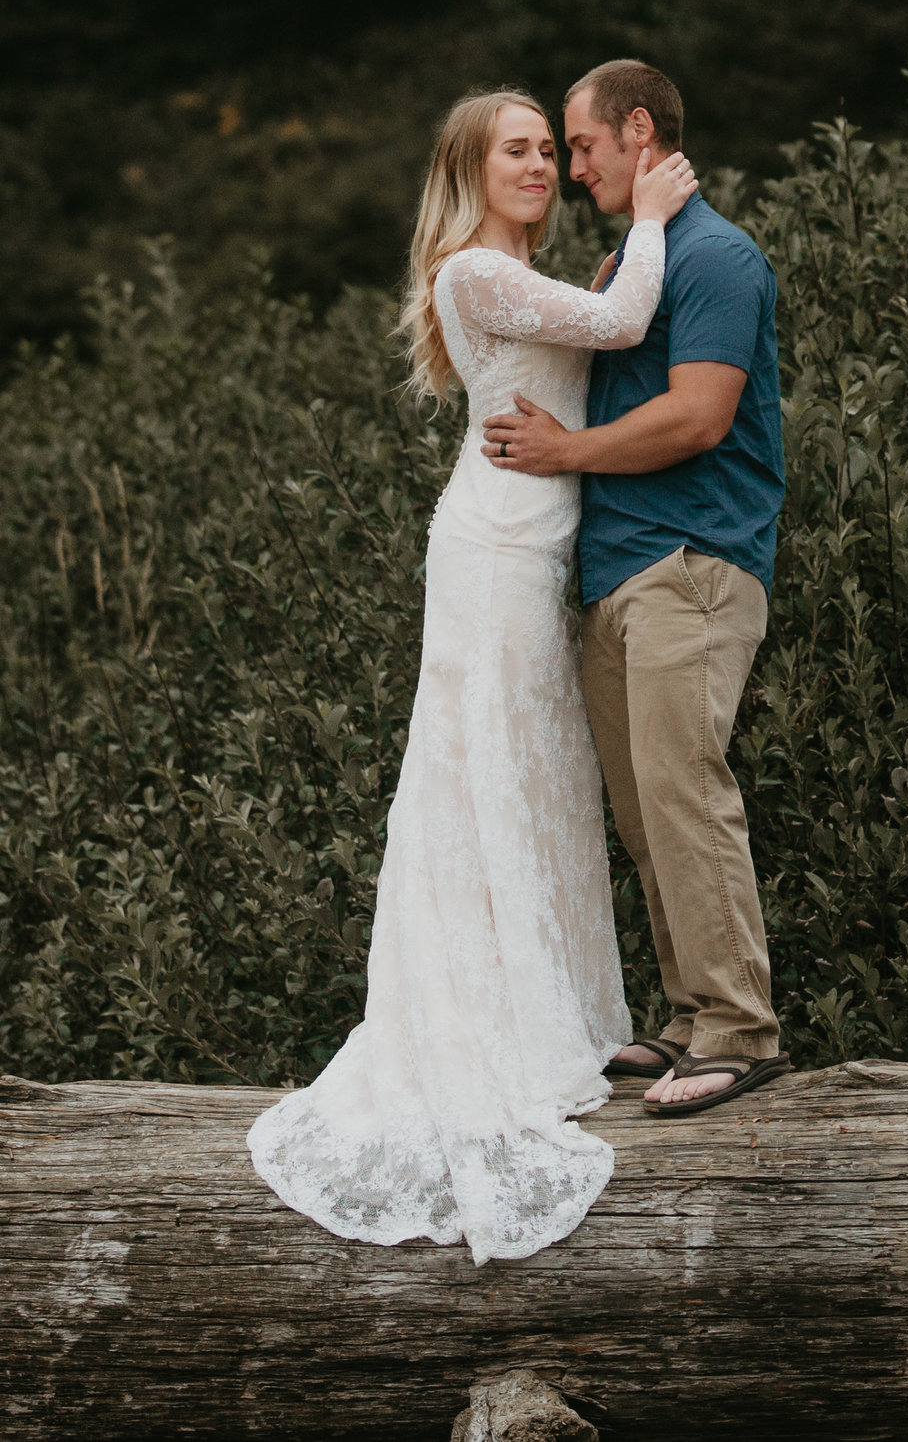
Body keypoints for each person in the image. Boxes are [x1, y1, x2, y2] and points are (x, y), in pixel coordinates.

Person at [246, 85, 697, 1264]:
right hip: (494, 546)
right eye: (516, 151)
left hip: (542, 544)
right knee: (485, 766)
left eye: (551, 148)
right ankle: (484, 1022)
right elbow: (625, 324)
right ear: (469, 169)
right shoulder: (470, 271)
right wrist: (649, 211)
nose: (541, 165)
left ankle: (549, 1006)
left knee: (538, 772)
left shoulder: (532, 275)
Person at [482, 56, 788, 1118]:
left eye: (581, 146)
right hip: (623, 577)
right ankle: (688, 1020)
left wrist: (564, 454)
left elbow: (699, 415)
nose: (571, 169)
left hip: (692, 564)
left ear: (639, 132)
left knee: (684, 791)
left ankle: (740, 1030)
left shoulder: (720, 258)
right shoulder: (633, 261)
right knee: (643, 810)